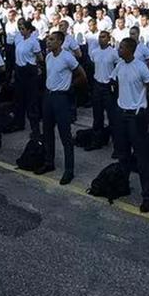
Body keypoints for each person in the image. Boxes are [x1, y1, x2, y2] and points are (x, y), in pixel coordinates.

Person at [114, 36, 149, 212]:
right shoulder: (119, 65)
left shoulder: (140, 67)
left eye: (122, 47)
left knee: (141, 157)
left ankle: (148, 196)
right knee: (123, 154)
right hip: (121, 114)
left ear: (130, 50)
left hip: (136, 116)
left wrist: (142, 104)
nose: (119, 50)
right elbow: (114, 83)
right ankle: (123, 186)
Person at [41, 31, 84, 184]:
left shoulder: (67, 57)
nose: (48, 42)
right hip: (49, 96)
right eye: (48, 39)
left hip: (61, 98)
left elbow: (81, 75)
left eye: (52, 39)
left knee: (65, 135)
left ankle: (69, 170)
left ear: (60, 41)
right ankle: (49, 162)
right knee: (47, 132)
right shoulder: (48, 56)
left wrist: (70, 87)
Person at [11, 20, 42, 137]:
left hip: (29, 71)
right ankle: (19, 123)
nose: (21, 30)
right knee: (19, 99)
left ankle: (35, 130)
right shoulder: (19, 39)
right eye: (20, 28)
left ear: (29, 30)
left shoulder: (33, 42)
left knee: (31, 101)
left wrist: (36, 67)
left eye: (23, 28)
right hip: (19, 70)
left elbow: (39, 57)